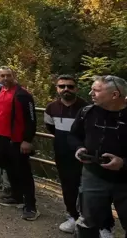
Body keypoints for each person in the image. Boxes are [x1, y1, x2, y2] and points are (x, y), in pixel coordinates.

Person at [44, 75, 114, 235]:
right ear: (57, 88)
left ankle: (103, 224)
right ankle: (72, 216)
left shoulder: (88, 108)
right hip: (63, 154)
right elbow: (50, 127)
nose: (66, 89)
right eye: (62, 86)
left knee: (92, 190)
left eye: (70, 86)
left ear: (76, 88)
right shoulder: (51, 108)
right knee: (68, 186)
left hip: (87, 155)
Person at [70, 75, 127, 238]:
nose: (91, 93)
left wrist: (123, 162)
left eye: (96, 90)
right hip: (93, 175)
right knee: (88, 222)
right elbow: (74, 136)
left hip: (125, 180)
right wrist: (79, 148)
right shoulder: (87, 112)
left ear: (115, 95)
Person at [0, 66, 39, 221]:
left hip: (17, 140)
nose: (5, 78)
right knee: (8, 167)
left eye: (8, 75)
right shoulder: (0, 91)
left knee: (23, 172)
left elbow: (31, 120)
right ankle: (16, 196)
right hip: (1, 137)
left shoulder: (23, 94)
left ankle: (31, 206)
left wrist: (27, 140)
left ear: (14, 76)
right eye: (2, 76)